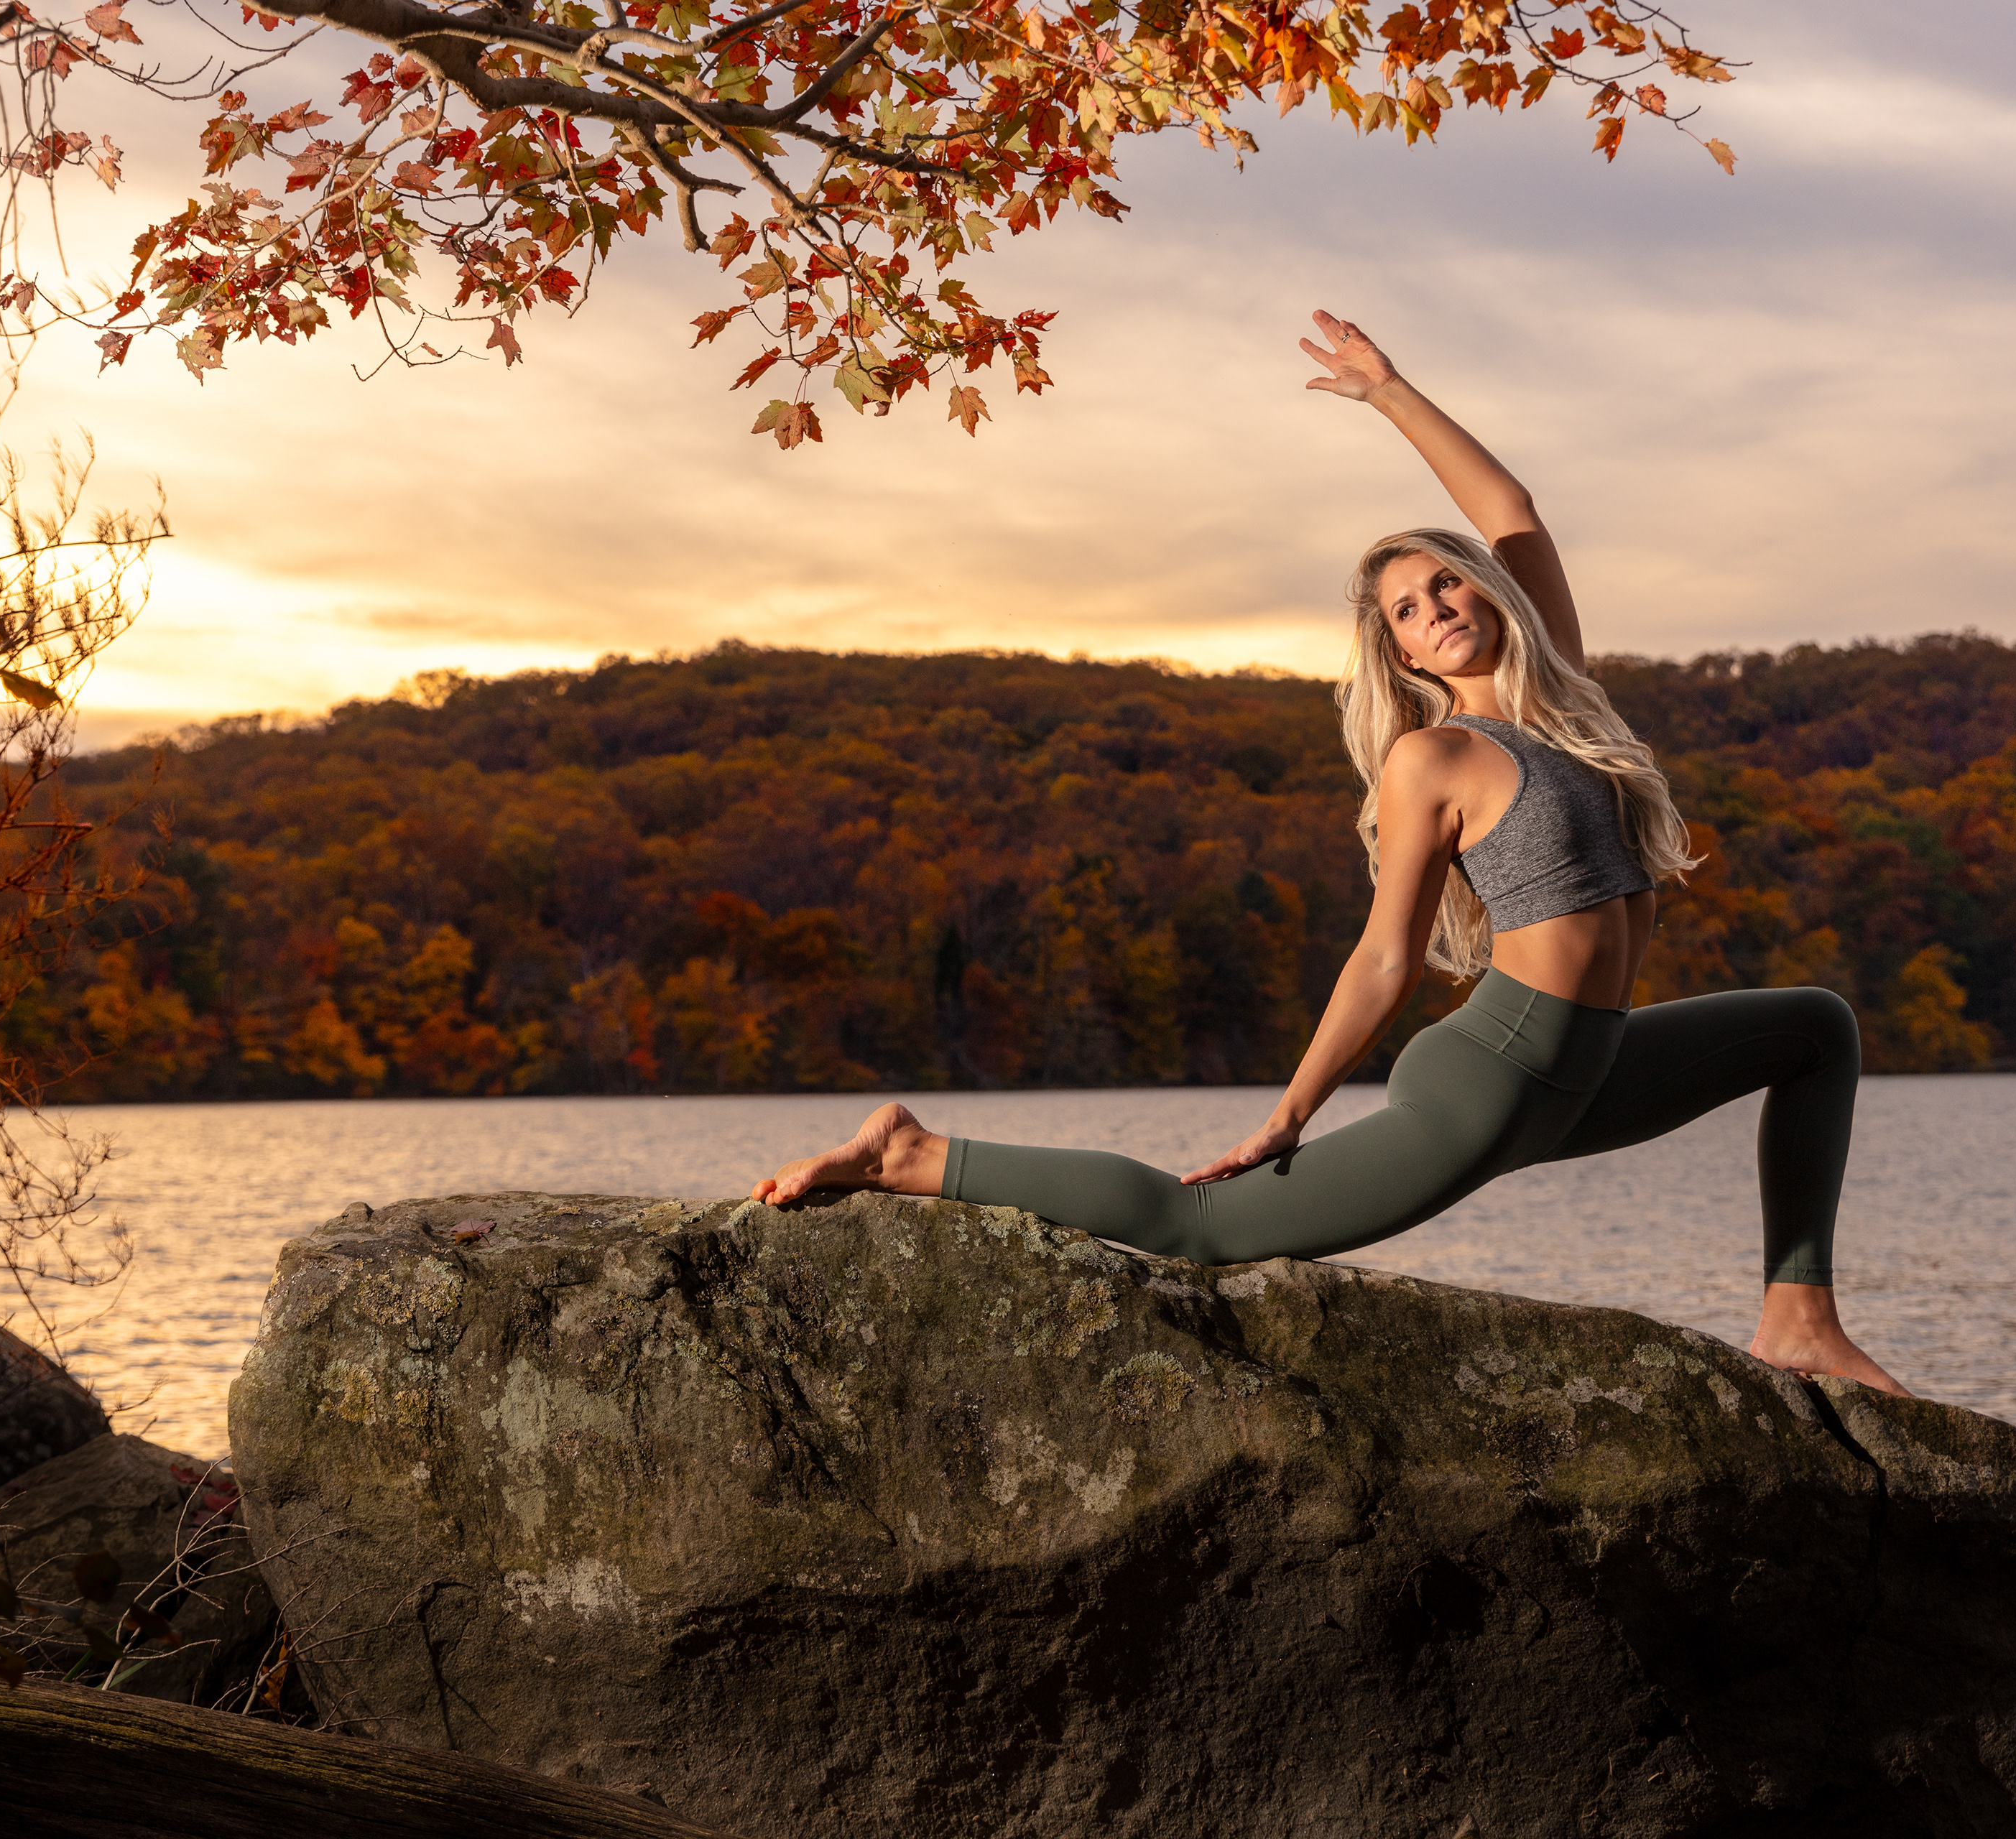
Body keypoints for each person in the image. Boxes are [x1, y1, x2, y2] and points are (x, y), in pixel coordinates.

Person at [754, 310, 1909, 1396]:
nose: (1437, 604)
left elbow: (1511, 507)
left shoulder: (1563, 696)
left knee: (1816, 1028)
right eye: (1406, 608)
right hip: (1495, 1082)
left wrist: (1389, 393)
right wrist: (1292, 1113)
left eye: (1445, 579)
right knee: (1192, 1228)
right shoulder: (1434, 760)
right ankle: (910, 1152)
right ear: (1401, 656)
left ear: (1488, 592)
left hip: (1588, 1073)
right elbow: (1381, 961)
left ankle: (1798, 1318)